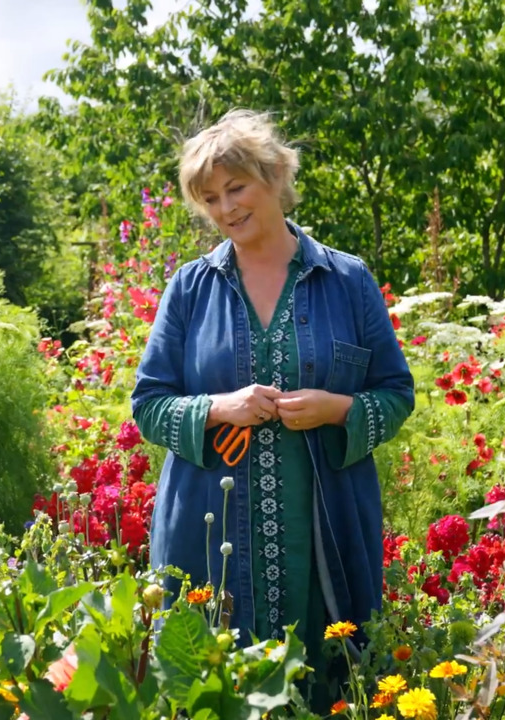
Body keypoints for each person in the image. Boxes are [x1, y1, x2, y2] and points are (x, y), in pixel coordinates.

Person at [130, 109, 414, 706]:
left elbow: (396, 393)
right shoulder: (191, 289)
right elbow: (149, 404)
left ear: (276, 175)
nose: (226, 208)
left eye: (236, 187)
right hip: (206, 533)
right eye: (210, 198)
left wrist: (337, 408)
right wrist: (217, 407)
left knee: (329, 689)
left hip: (325, 528)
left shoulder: (346, 281)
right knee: (210, 692)